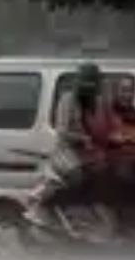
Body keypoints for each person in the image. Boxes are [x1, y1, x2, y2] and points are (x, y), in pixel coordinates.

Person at [28, 63, 116, 231]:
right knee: (77, 176)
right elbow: (62, 131)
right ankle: (58, 211)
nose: (89, 89)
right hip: (67, 152)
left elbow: (107, 126)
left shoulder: (98, 102)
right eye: (86, 85)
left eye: (93, 85)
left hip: (89, 153)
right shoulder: (68, 100)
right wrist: (83, 139)